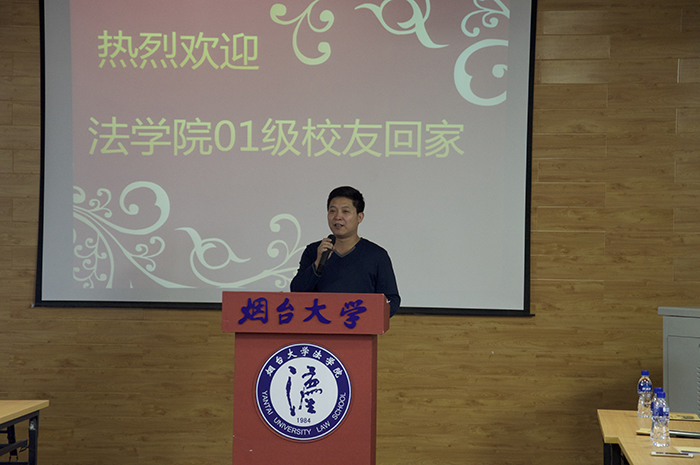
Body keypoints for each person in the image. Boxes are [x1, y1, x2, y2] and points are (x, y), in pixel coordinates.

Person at [290, 186, 401, 316]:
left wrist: (366, 317)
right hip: (320, 324)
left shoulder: (377, 255)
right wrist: (317, 263)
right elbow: (296, 292)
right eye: (332, 211)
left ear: (360, 217)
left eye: (345, 211)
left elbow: (391, 300)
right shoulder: (314, 251)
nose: (337, 217)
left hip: (358, 325)